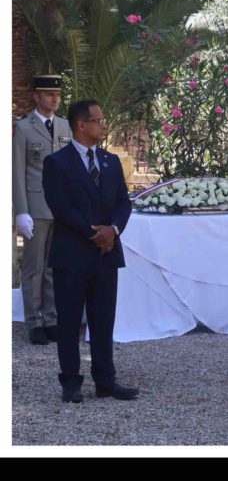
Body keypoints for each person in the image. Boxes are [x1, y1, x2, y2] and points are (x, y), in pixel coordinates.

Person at [42, 99, 136, 403]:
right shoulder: (57, 163)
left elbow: (123, 202)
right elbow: (61, 207)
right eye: (99, 120)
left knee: (103, 319)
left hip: (107, 252)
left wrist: (113, 230)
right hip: (72, 253)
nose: (104, 125)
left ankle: (105, 380)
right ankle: (71, 381)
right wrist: (92, 233)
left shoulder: (110, 161)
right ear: (81, 125)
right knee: (69, 321)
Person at [13, 75, 72, 345]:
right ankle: (34, 322)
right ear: (36, 97)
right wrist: (20, 211)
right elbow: (17, 172)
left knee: (53, 267)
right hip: (35, 208)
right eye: (48, 94)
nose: (54, 99)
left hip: (60, 208)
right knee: (34, 268)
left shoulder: (65, 126)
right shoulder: (24, 128)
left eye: (57, 95)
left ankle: (51, 319)